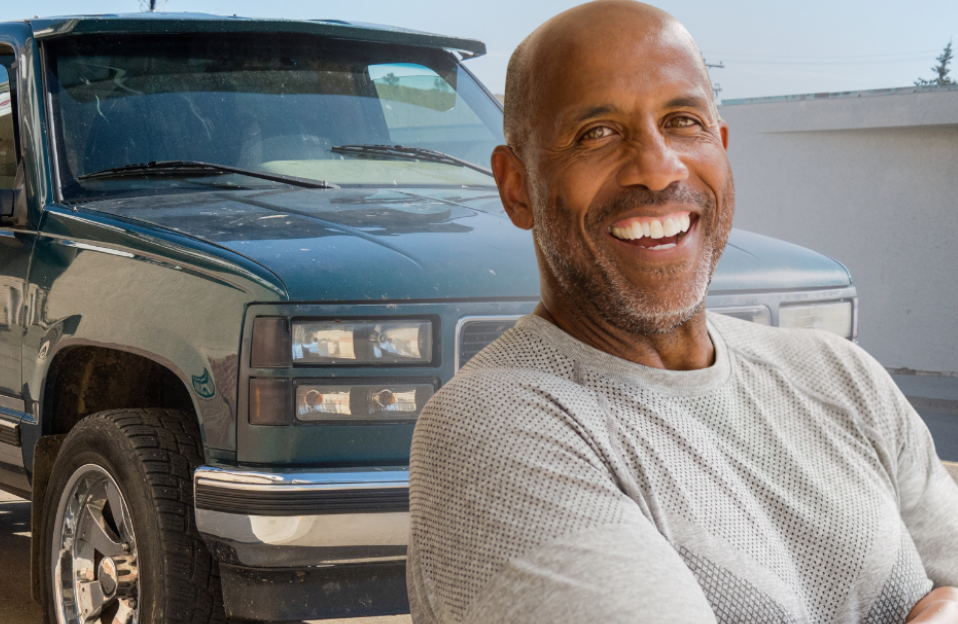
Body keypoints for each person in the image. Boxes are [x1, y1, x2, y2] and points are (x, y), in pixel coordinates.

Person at [405, 2, 958, 622]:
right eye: (597, 133)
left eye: (683, 120)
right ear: (517, 187)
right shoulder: (490, 428)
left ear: (720, 147)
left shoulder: (840, 376)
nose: (657, 167)